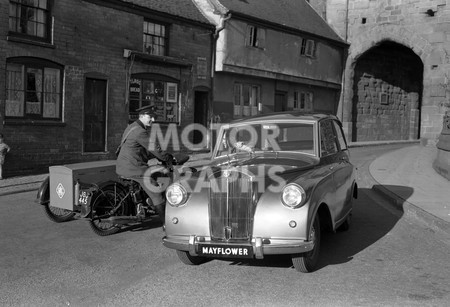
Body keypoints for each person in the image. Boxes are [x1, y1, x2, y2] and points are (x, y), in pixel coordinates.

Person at [116, 105, 170, 220]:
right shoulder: (140, 132)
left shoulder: (131, 127)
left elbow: (142, 149)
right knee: (156, 192)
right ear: (141, 116)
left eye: (154, 117)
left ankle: (143, 205)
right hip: (133, 168)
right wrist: (167, 158)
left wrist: (156, 157)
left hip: (122, 166)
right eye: (150, 116)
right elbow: (155, 149)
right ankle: (165, 223)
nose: (153, 120)